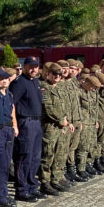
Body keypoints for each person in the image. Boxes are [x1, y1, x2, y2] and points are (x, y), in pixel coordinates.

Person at [9, 57, 43, 202]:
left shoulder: (35, 81)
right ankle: (21, 189)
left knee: (35, 157)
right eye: (31, 66)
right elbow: (12, 104)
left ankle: (31, 186)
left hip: (36, 121)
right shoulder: (19, 83)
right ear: (24, 67)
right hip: (25, 122)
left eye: (36, 66)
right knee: (24, 156)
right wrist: (15, 124)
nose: (34, 69)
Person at [0, 66, 18, 206]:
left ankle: (3, 195)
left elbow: (12, 111)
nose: (5, 80)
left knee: (5, 164)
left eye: (6, 78)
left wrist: (14, 126)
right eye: (2, 78)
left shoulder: (8, 94)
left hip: (8, 129)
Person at [39, 63, 70, 195]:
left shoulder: (59, 88)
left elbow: (65, 105)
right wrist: (60, 120)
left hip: (61, 125)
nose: (57, 77)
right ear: (48, 74)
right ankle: (45, 182)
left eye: (59, 74)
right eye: (54, 74)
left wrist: (66, 119)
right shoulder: (44, 88)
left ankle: (55, 179)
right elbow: (48, 108)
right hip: (50, 126)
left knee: (59, 152)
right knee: (48, 154)